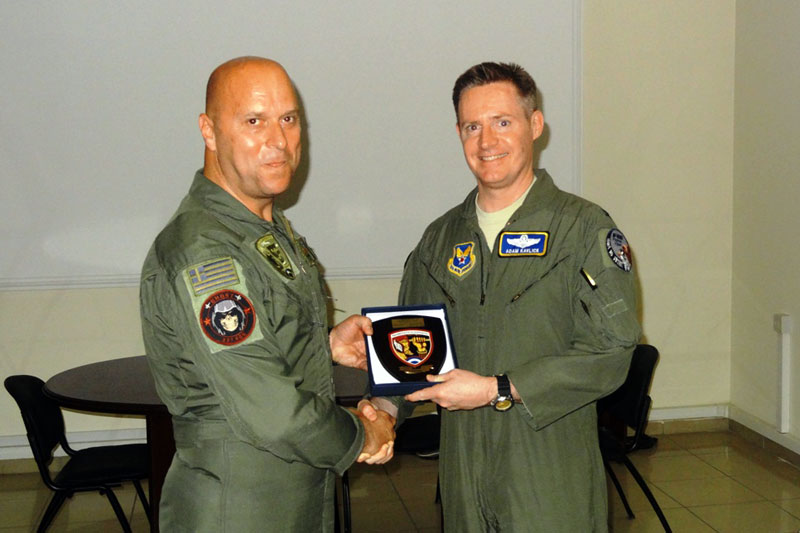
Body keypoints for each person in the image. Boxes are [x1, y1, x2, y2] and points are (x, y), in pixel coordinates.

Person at [140, 56, 395, 532]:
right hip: (240, 505)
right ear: (209, 131)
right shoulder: (205, 250)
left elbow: (253, 342)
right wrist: (363, 433)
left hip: (292, 494)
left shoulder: (261, 227)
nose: (278, 140)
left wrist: (323, 344)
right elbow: (272, 410)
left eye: (289, 119)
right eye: (254, 121)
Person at [398, 62, 642, 531]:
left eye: (502, 122)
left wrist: (498, 389)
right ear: (458, 133)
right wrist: (385, 409)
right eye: (472, 127)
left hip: (548, 472)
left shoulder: (582, 229)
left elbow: (612, 351)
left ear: (535, 124)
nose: (486, 141)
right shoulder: (439, 239)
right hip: (463, 474)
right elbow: (410, 348)